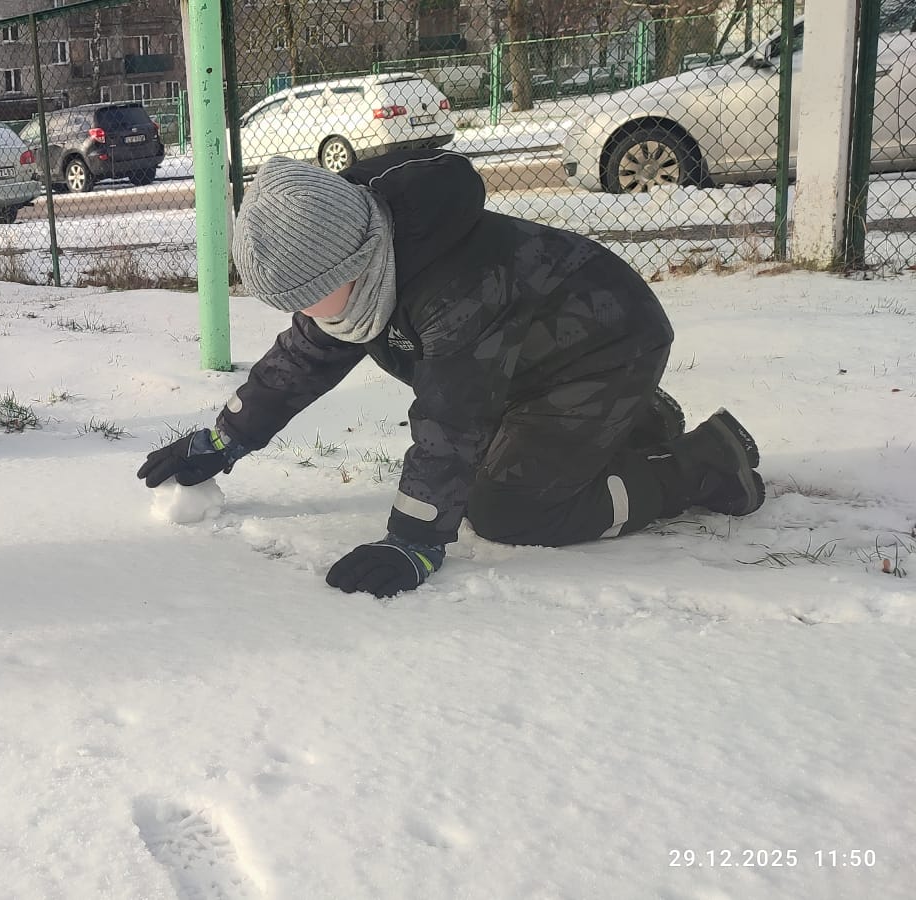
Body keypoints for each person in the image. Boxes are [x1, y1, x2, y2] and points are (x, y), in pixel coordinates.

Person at [139, 152, 763, 598]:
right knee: (492, 467)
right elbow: (303, 359)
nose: (306, 313)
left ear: (355, 262)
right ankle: (635, 420)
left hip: (605, 349)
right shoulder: (366, 274)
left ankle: (704, 463)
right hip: (525, 364)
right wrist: (225, 439)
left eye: (309, 296)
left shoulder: (454, 287)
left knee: (508, 511)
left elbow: (452, 418)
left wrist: (414, 539)